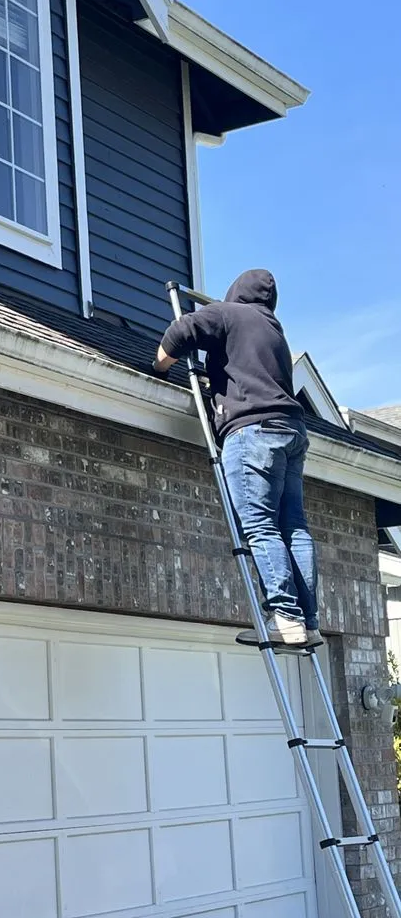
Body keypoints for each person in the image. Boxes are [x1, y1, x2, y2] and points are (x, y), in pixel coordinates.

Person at [153, 269, 323, 649]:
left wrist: (160, 365)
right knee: (293, 528)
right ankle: (308, 621)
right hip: (292, 431)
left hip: (253, 432)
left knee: (260, 526)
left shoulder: (229, 313)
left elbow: (182, 331)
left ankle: (285, 617)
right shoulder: (274, 330)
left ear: (236, 294)